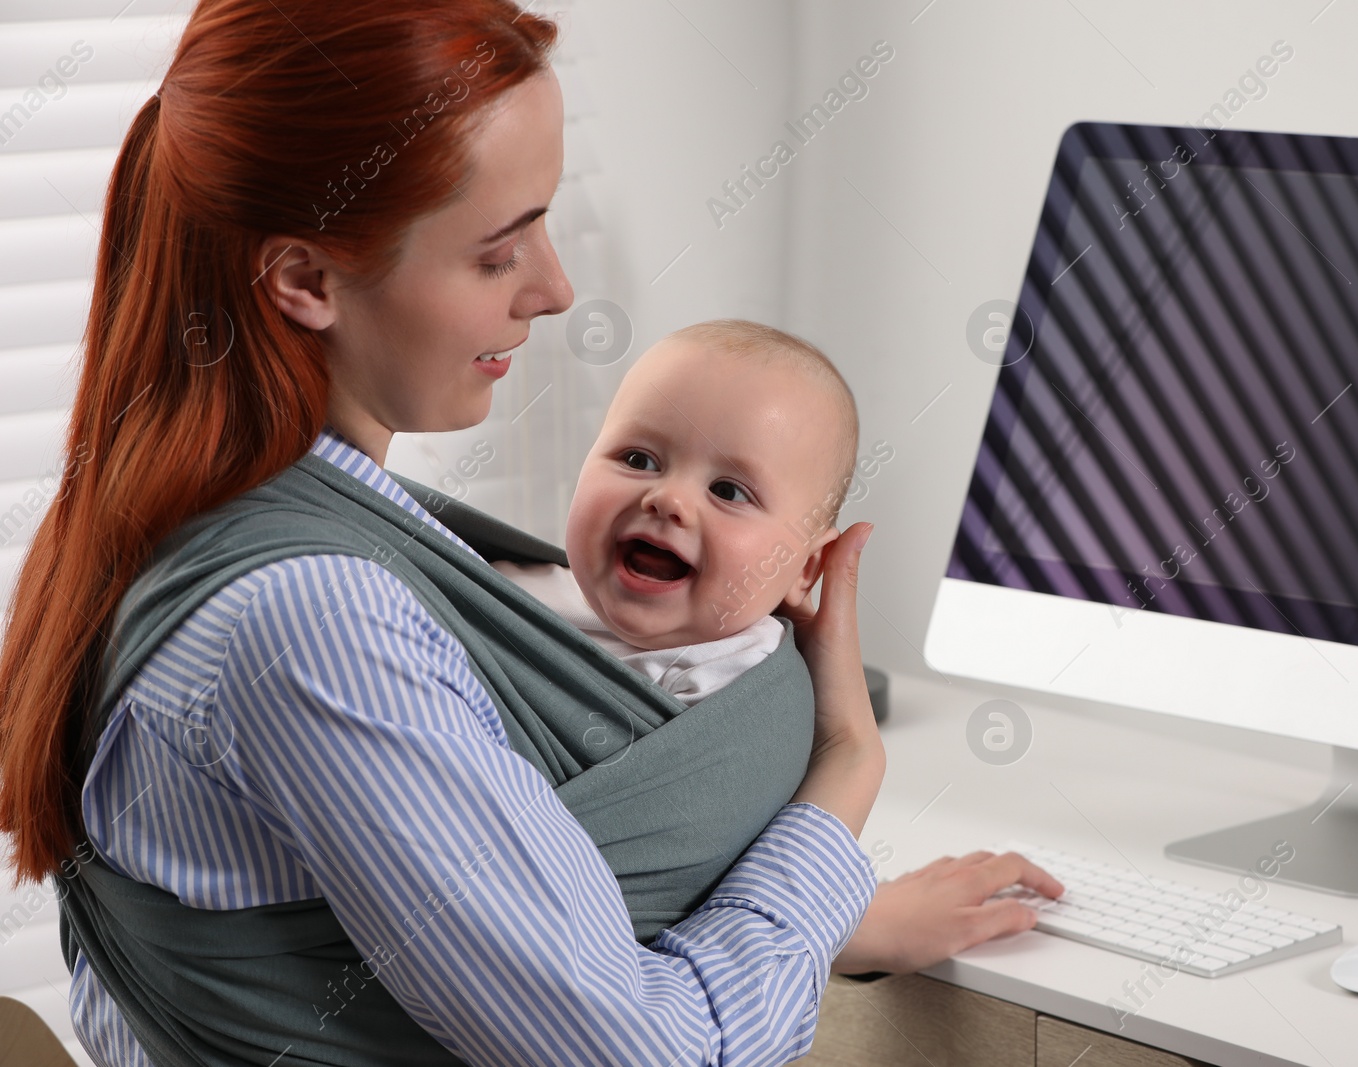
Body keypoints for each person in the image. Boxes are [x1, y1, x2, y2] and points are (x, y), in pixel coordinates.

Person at [0, 2, 1062, 1064]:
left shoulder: (180, 521)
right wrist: (839, 784)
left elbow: (482, 919)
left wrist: (835, 920)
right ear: (306, 279)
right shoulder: (312, 615)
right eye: (498, 253)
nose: (554, 291)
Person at [490, 319, 860, 707]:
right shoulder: (505, 585)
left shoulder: (736, 673)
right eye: (638, 459)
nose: (669, 499)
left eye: (728, 491)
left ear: (804, 567)